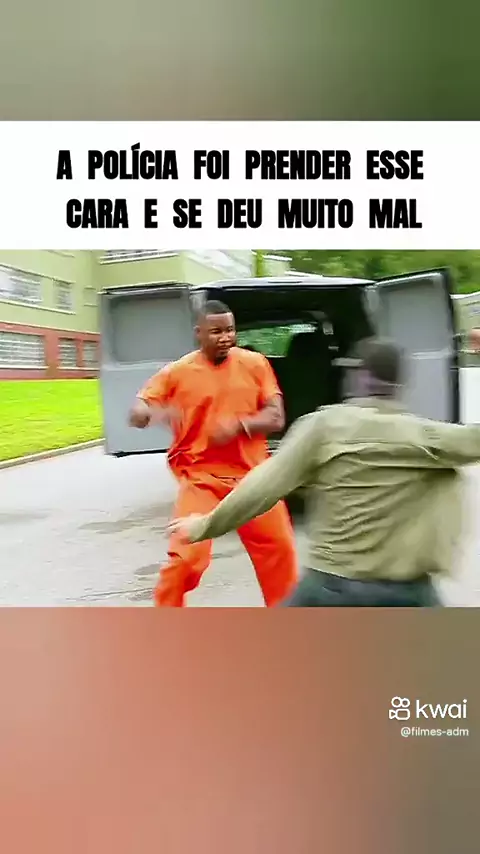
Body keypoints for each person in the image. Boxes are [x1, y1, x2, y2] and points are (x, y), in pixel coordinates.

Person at [168, 337, 480, 607]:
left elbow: (262, 487)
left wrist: (205, 525)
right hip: (407, 593)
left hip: (332, 586)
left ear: (360, 377)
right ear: (399, 386)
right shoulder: (426, 436)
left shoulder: (324, 426)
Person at [129, 299, 298, 607]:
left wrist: (239, 425)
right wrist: (143, 413)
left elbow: (276, 417)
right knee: (183, 560)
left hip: (254, 479)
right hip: (201, 478)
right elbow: (141, 406)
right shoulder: (178, 372)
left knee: (281, 552)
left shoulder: (255, 364)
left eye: (230, 330)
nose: (225, 338)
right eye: (216, 331)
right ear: (199, 333)